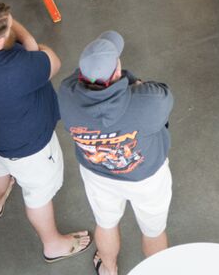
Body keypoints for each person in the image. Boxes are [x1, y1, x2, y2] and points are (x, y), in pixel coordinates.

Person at [0, 0, 92, 264]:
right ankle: (53, 245)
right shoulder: (15, 69)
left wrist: (8, 30)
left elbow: (1, 34)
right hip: (27, 146)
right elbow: (53, 61)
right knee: (38, 193)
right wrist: (29, 41)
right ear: (0, 41)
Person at [58, 32, 174, 275]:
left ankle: (108, 268)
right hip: (146, 178)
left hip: (97, 174)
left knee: (106, 223)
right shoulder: (146, 101)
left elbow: (73, 84)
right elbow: (164, 95)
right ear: (116, 72)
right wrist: (133, 82)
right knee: (153, 231)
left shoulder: (67, 96)